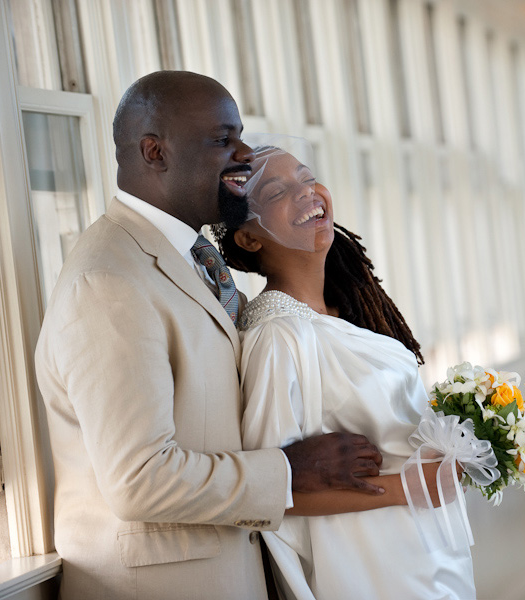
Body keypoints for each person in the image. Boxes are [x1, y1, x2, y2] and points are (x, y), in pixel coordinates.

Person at [34, 71, 384, 600]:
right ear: (155, 152)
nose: (244, 155)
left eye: (240, 135)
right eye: (223, 140)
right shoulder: (108, 280)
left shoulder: (193, 259)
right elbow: (140, 479)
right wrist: (289, 470)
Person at [216, 144, 476, 600]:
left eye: (306, 176)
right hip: (365, 567)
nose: (306, 193)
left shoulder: (346, 314)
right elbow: (274, 494)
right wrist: (409, 487)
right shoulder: (277, 337)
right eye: (277, 190)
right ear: (249, 238)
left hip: (423, 551)